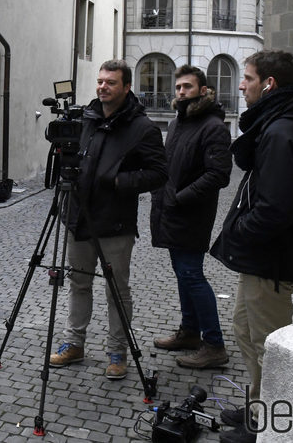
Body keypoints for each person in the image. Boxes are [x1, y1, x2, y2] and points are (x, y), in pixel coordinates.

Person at [210, 50, 293, 443]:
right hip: (260, 260)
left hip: (270, 262)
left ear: (269, 84)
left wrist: (237, 234)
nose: (241, 85)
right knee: (245, 330)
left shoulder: (282, 131)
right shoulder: (278, 124)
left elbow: (274, 210)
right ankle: (258, 405)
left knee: (268, 344)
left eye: (248, 78)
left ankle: (271, 424)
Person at [49, 59, 167, 380]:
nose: (102, 86)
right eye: (100, 81)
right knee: (79, 283)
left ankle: (118, 351)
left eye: (110, 82)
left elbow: (159, 173)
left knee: (117, 289)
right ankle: (75, 343)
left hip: (115, 223)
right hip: (77, 218)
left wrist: (119, 181)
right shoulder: (85, 118)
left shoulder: (143, 128)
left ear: (126, 87)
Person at [149, 65, 232, 369]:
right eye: (179, 87)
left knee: (192, 275)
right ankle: (189, 332)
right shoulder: (176, 123)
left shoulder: (213, 127)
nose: (181, 91)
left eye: (188, 86)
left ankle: (214, 344)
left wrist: (181, 197)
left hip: (192, 214)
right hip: (171, 212)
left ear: (203, 90)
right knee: (184, 275)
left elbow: (219, 174)